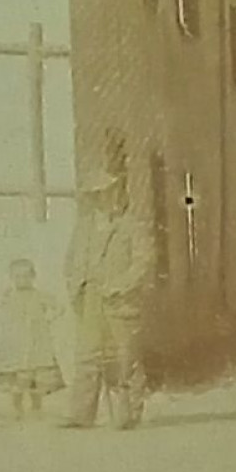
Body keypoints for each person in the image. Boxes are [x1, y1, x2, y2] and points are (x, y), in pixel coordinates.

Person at [63, 169, 154, 429]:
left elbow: (143, 261)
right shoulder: (84, 227)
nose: (102, 198)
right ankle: (81, 416)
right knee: (87, 355)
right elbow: (71, 260)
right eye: (96, 194)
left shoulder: (132, 225)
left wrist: (120, 286)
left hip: (120, 300)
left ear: (115, 193)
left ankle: (128, 415)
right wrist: (75, 287)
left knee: (125, 357)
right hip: (89, 298)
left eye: (106, 192)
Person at [0, 257, 65, 421]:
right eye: (17, 277)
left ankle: (36, 406)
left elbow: (59, 308)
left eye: (26, 276)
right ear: (11, 278)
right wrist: (6, 322)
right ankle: (17, 407)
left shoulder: (39, 295)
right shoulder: (10, 296)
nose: (22, 280)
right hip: (16, 342)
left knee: (36, 376)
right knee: (17, 377)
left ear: (33, 276)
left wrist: (47, 319)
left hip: (36, 341)